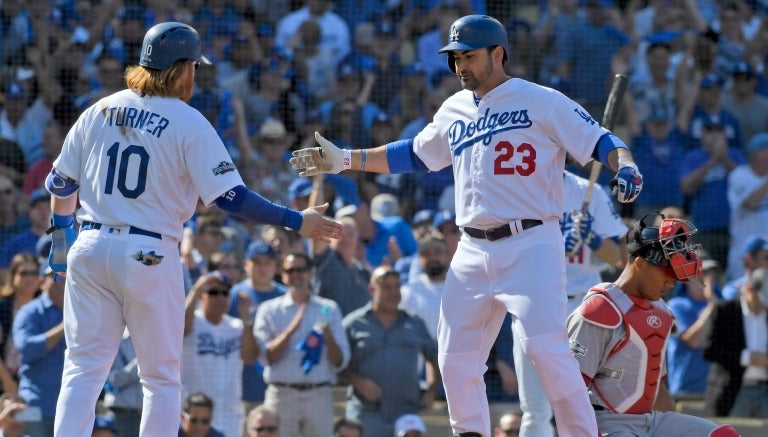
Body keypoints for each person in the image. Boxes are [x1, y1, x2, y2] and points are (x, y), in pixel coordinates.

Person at [290, 14, 644, 437]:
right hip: (473, 249)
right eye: (455, 58)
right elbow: (416, 155)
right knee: (454, 356)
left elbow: (602, 140)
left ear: (498, 54)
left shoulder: (542, 99)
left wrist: (625, 165)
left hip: (531, 242)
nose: (460, 66)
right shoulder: (454, 107)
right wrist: (347, 159)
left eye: (469, 56)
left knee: (545, 350)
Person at [48, 22, 343, 437]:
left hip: (90, 244)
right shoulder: (188, 121)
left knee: (81, 370)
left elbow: (61, 186)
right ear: (182, 67)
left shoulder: (99, 109)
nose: (196, 75)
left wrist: (61, 244)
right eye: (194, 67)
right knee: (162, 378)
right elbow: (231, 198)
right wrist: (297, 221)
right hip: (149, 251)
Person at [566, 213, 739, 436]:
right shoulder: (600, 310)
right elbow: (570, 390)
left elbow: (655, 388)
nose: (672, 283)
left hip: (652, 422)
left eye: (676, 277)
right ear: (639, 263)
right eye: (666, 274)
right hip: (606, 422)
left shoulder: (662, 311)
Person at [513, 168, 627, 436]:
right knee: (535, 410)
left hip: (583, 309)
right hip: (534, 303)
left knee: (585, 402)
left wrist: (593, 239)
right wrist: (552, 246)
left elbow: (620, 257)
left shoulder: (587, 190)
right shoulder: (518, 188)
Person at [254, 251, 350, 437]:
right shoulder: (270, 310)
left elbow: (341, 361)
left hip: (318, 394)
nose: (296, 275)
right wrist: (292, 328)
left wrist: (328, 337)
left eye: (301, 270)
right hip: (282, 394)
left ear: (311, 273)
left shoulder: (328, 309)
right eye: (290, 270)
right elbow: (265, 357)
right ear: (283, 275)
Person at [342, 266, 438, 437]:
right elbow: (337, 365)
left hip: (406, 413)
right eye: (386, 287)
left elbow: (435, 357)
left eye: (397, 286)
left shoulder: (415, 323)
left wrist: (431, 390)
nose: (393, 292)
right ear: (372, 289)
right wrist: (358, 381)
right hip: (365, 414)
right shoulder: (353, 324)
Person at [181, 271, 258, 437]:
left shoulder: (237, 327)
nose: (220, 297)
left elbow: (250, 358)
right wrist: (195, 291)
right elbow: (182, 329)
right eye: (214, 292)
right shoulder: (193, 322)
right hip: (197, 414)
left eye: (225, 293)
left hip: (229, 412)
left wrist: (246, 320)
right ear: (202, 296)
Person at [702, 267, 768, 418]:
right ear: (750, 290)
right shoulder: (725, 311)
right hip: (732, 393)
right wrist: (746, 358)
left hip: (764, 390)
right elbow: (709, 351)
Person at [13, 262, 65, 437]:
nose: (61, 281)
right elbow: (27, 349)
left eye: (65, 277)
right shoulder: (29, 312)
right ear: (42, 281)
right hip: (33, 406)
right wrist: (64, 327)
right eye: (55, 277)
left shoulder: (79, 311)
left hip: (67, 407)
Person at [665, 258, 721, 397]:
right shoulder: (676, 305)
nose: (708, 280)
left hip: (716, 391)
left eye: (711, 275)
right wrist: (712, 305)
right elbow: (693, 341)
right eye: (701, 274)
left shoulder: (721, 305)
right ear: (686, 278)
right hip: (686, 390)